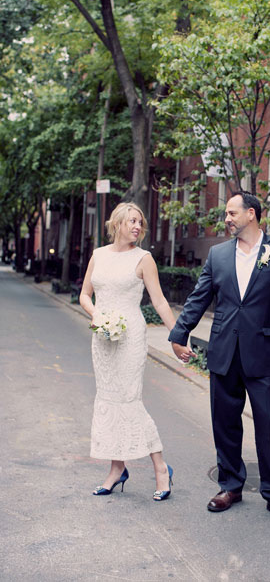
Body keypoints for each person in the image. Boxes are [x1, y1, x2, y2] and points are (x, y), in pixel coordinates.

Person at [169, 191, 270, 525]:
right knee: (225, 423)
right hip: (224, 352)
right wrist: (178, 334)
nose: (226, 218)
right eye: (226, 214)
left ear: (251, 214)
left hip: (265, 356)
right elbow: (199, 298)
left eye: (231, 213)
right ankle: (230, 486)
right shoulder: (217, 255)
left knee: (268, 425)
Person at [80, 202, 176, 501]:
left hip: (131, 337)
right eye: (132, 221)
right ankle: (116, 469)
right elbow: (85, 295)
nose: (137, 226)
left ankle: (161, 468)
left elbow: (159, 302)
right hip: (103, 338)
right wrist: (97, 316)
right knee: (109, 400)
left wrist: (177, 334)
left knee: (129, 401)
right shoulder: (98, 255)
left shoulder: (144, 259)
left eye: (140, 222)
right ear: (117, 224)